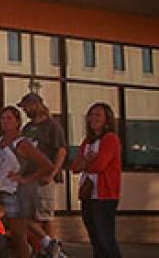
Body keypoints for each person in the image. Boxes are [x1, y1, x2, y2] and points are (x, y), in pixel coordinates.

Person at [0, 106, 53, 258]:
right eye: (3, 118)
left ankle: (39, 247)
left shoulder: (21, 143)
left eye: (9, 118)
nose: (5, 122)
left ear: (17, 121)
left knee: (18, 234)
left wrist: (26, 179)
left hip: (12, 192)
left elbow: (47, 165)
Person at [17, 92, 67, 256]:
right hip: (28, 176)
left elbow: (61, 150)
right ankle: (44, 245)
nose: (25, 110)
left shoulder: (52, 125)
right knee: (28, 215)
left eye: (27, 107)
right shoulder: (28, 128)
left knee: (44, 215)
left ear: (36, 104)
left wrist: (52, 174)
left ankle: (52, 249)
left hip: (44, 177)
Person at [72, 103, 122, 258]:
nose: (93, 118)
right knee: (95, 237)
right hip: (88, 194)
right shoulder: (87, 141)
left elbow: (100, 166)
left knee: (105, 237)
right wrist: (87, 160)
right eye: (91, 114)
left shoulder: (110, 139)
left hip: (104, 195)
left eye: (98, 115)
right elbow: (74, 167)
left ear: (107, 119)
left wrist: (85, 163)